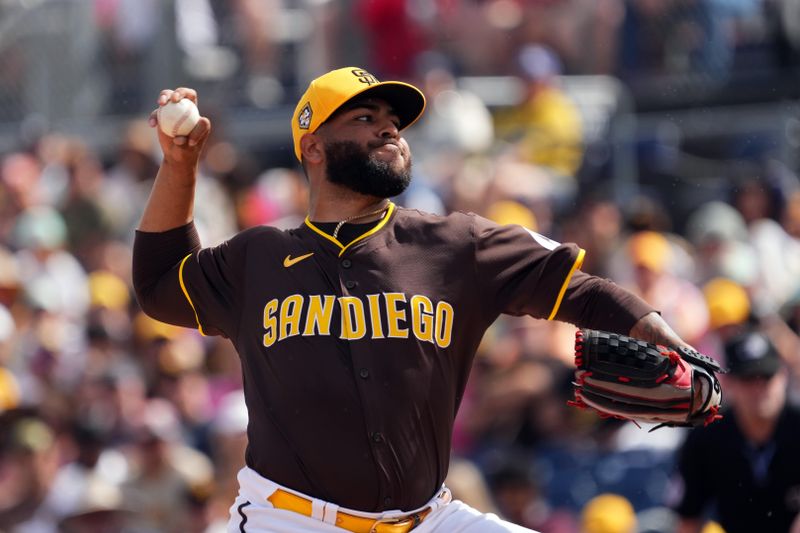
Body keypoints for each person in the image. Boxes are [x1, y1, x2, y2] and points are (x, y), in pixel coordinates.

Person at [132, 66, 694, 532]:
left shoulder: (455, 244)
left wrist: (661, 334)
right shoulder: (258, 258)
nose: (389, 131)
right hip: (291, 520)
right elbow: (159, 286)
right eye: (364, 118)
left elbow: (579, 289)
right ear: (314, 148)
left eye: (393, 122)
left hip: (428, 519)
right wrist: (180, 165)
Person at [673, 329, 800, 533]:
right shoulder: (706, 437)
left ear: (783, 377)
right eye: (748, 379)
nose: (759, 389)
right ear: (728, 384)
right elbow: (688, 518)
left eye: (767, 377)